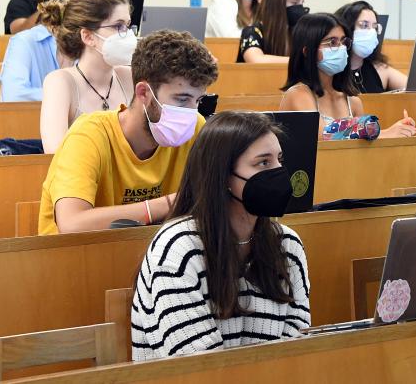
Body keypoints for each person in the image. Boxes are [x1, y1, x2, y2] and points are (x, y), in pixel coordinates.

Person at [131, 111, 310, 361]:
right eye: (263, 163)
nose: (279, 172)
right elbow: (199, 368)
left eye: (279, 160)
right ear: (223, 175)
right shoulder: (178, 250)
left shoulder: (287, 245)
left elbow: (296, 353)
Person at [38, 30, 219, 235]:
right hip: (77, 260)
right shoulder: (89, 135)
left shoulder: (195, 127)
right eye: (182, 99)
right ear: (143, 92)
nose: (190, 111)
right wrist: (170, 204)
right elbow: (72, 224)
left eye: (198, 100)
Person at [279, 13, 416, 138]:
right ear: (307, 51)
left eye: (344, 41)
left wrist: (399, 130)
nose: (341, 48)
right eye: (332, 42)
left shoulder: (353, 100)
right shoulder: (298, 94)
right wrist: (382, 132)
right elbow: (323, 134)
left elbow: (361, 148)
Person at [39, 0, 137, 153]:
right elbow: (54, 152)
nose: (128, 35)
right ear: (88, 36)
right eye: (118, 26)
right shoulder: (60, 81)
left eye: (128, 26)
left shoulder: (129, 76)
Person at [0, 0, 95, 102]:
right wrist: (65, 94)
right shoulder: (25, 41)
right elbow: (13, 95)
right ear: (61, 3)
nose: (94, 11)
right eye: (86, 2)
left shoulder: (92, 42)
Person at [334, 0, 407, 93]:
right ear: (347, 28)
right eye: (364, 25)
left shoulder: (379, 69)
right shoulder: (331, 71)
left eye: (375, 27)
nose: (371, 32)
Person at [238, 0, 308, 63]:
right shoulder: (252, 32)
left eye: (302, 2)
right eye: (294, 2)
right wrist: (298, 62)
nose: (300, 8)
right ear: (277, 3)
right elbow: (256, 60)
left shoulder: (299, 33)